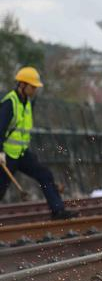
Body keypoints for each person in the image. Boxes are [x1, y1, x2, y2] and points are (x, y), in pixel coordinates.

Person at [0, 67, 76, 219]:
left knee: (45, 175)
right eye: (32, 86)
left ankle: (58, 211)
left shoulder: (28, 103)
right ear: (22, 85)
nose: (35, 90)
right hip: (7, 155)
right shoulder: (10, 102)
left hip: (21, 154)